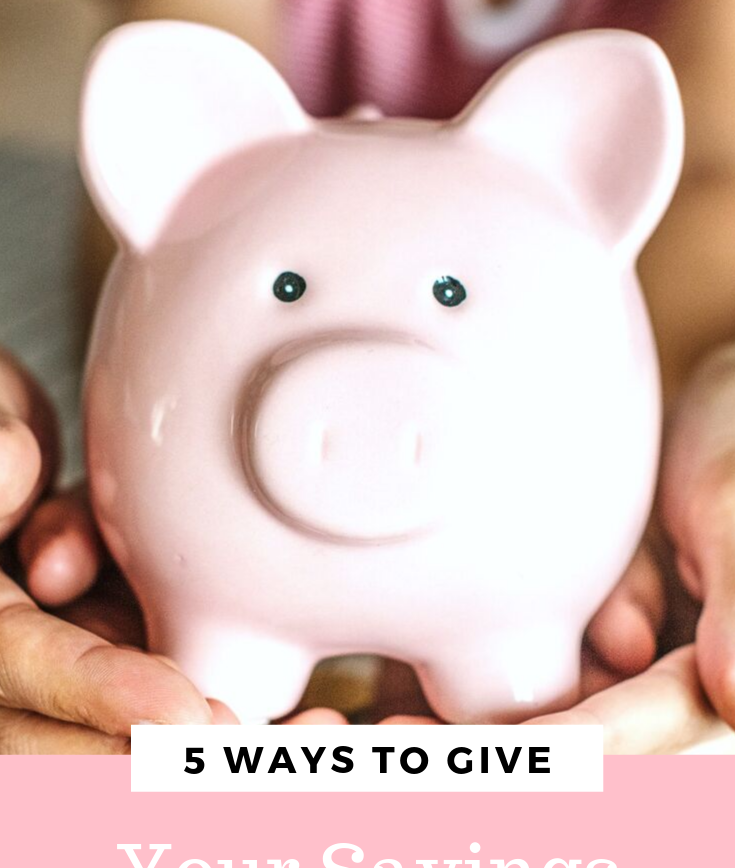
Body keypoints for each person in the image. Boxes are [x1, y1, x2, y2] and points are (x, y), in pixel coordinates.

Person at [3, 0, 735, 750]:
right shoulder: (208, 147)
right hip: (190, 549)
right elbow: (187, 51)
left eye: (450, 296)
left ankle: (504, 670)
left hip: (550, 552)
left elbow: (715, 174)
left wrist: (696, 399)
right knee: (186, 715)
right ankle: (229, 658)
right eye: (290, 290)